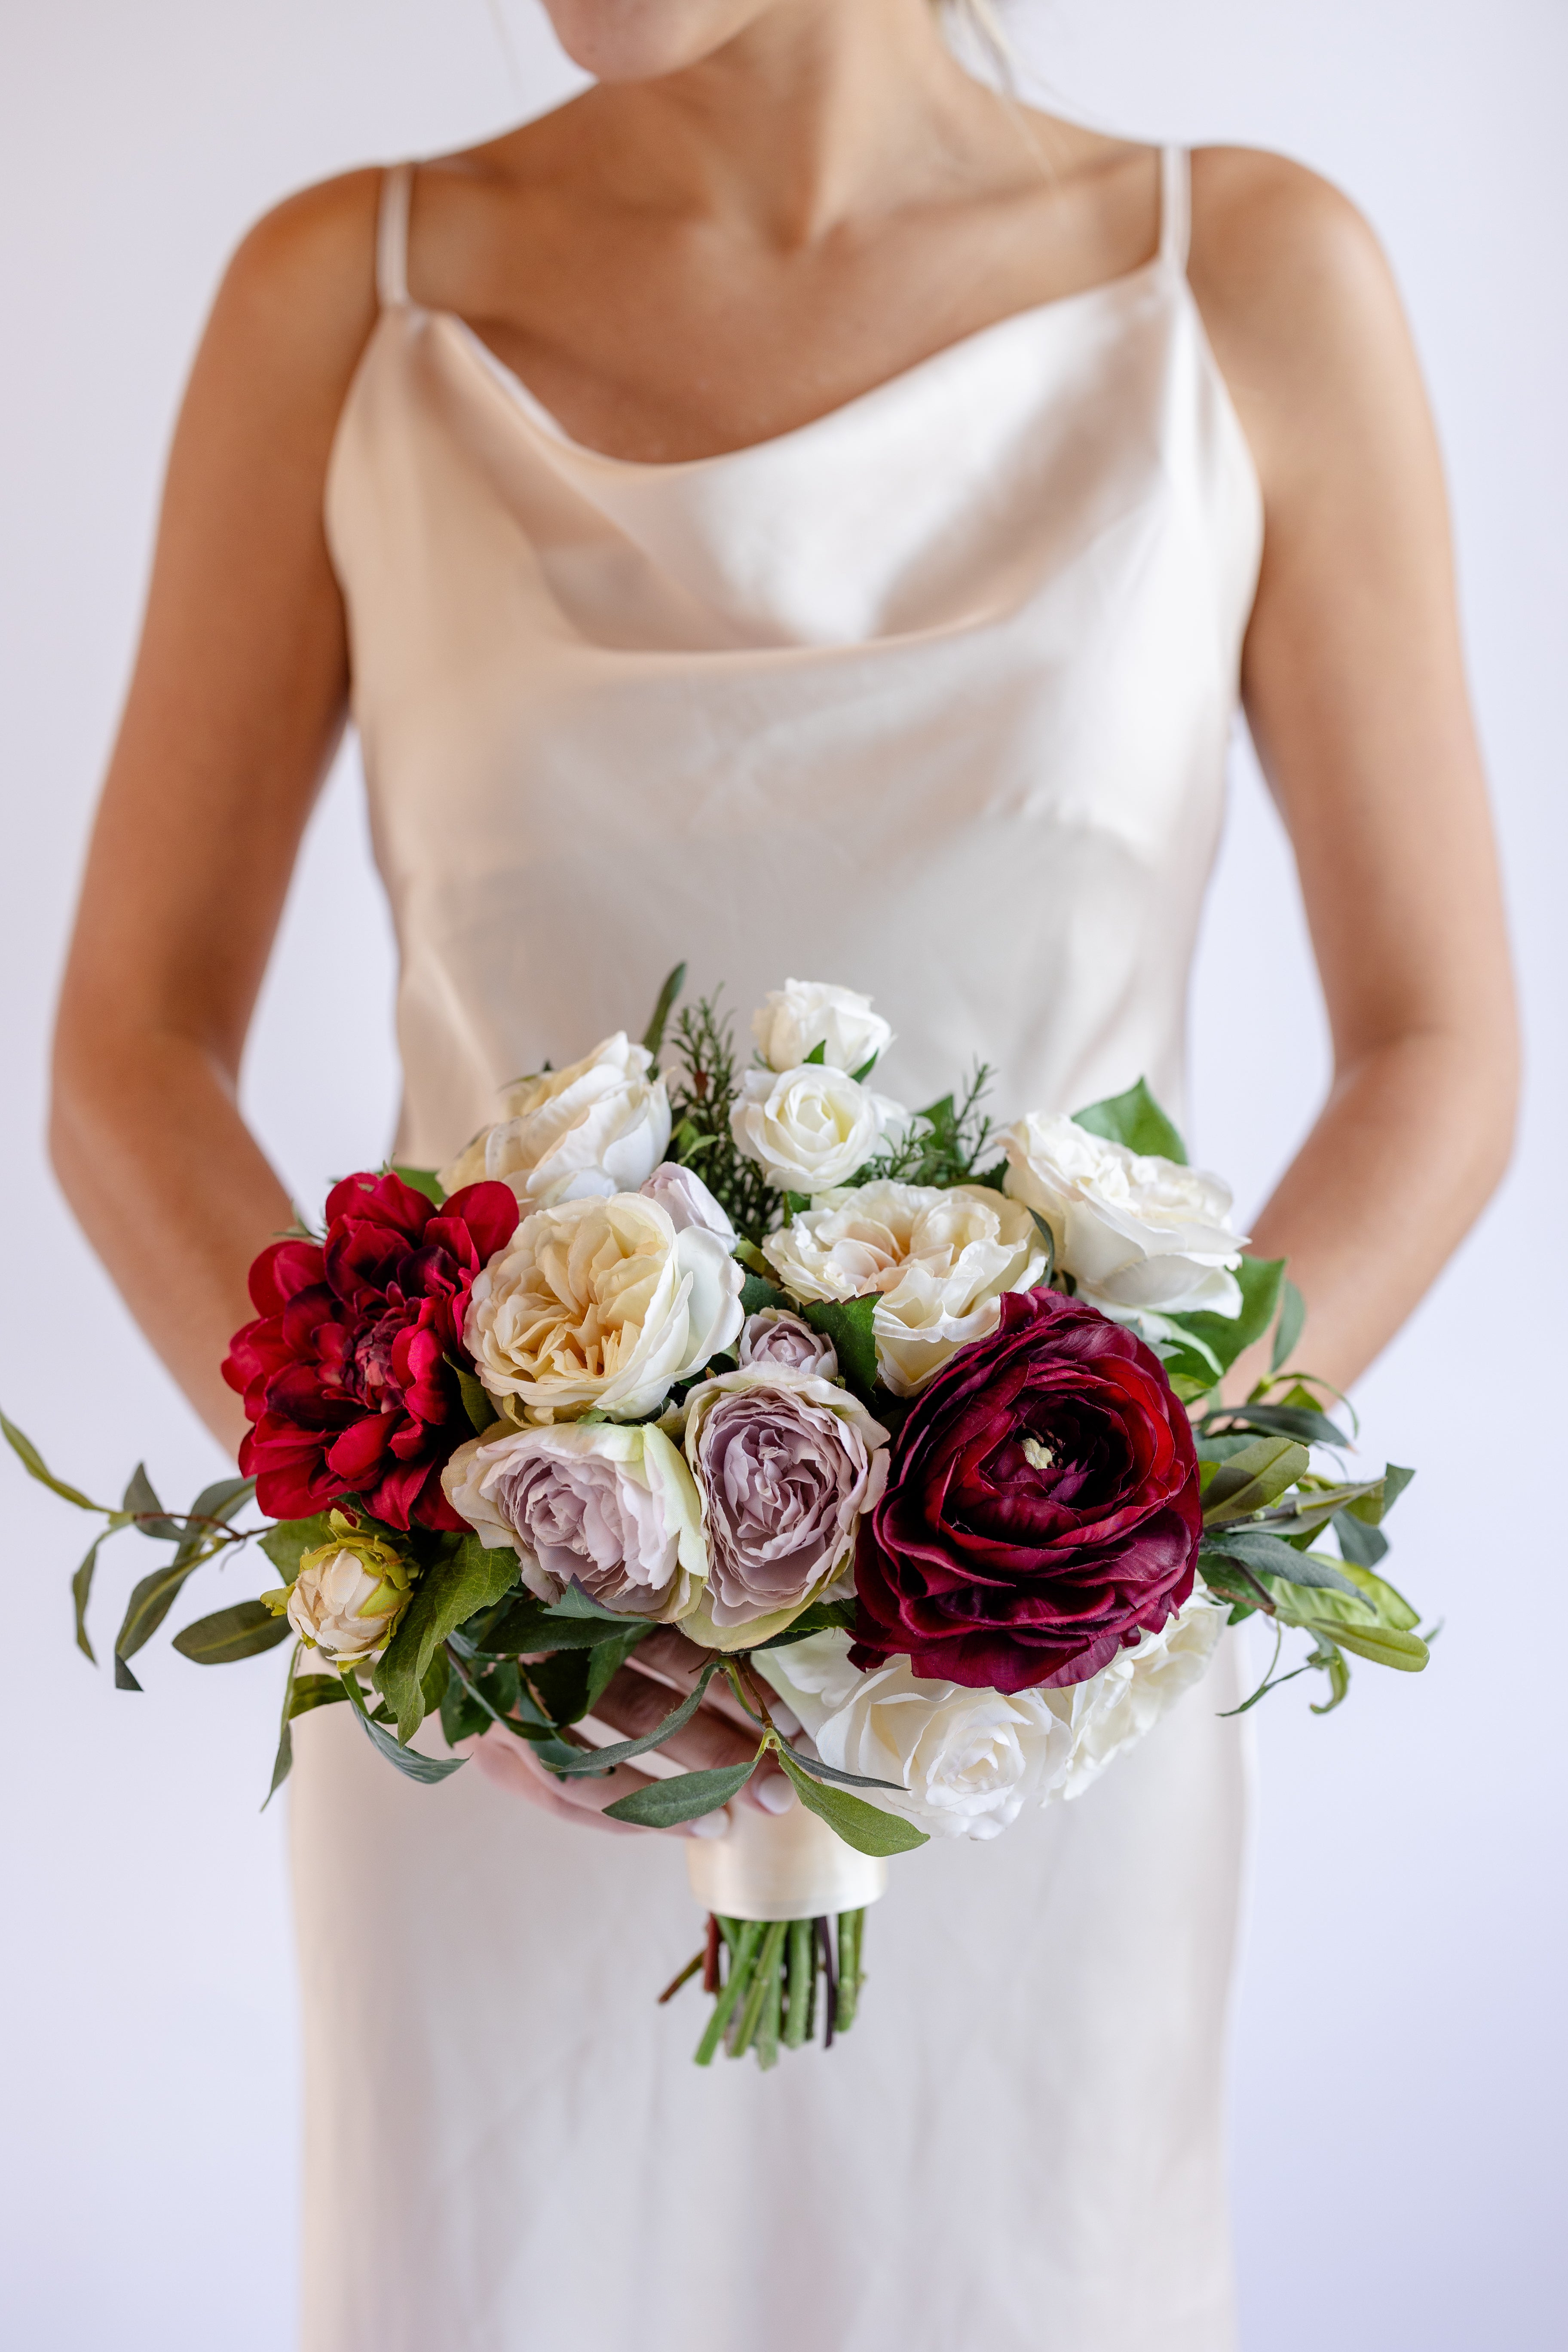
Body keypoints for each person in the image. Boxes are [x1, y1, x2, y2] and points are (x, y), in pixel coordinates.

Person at [49, 1, 1516, 2345]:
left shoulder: (1240, 281)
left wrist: (1107, 1528)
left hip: (1034, 1743)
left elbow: (1439, 1055)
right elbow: (126, 1053)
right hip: (518, 1751)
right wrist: (448, 1568)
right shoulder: (347, 300)